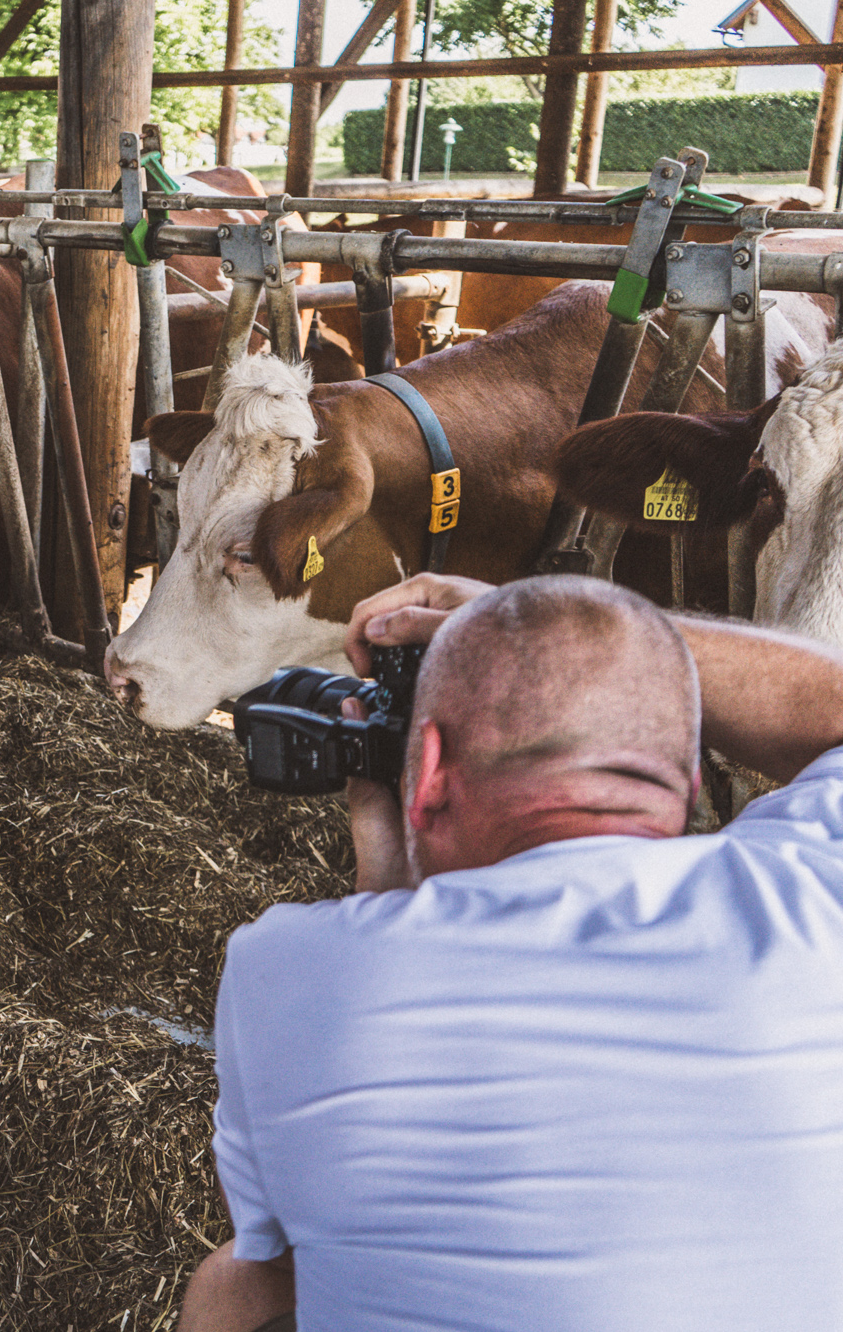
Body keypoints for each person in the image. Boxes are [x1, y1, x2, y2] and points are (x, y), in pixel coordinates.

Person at [181, 571, 843, 1332]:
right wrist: (615, 633)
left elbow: (288, 1248)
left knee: (235, 1286)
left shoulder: (284, 968)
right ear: (691, 780)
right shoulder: (815, 887)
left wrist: (386, 871)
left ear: (424, 772)